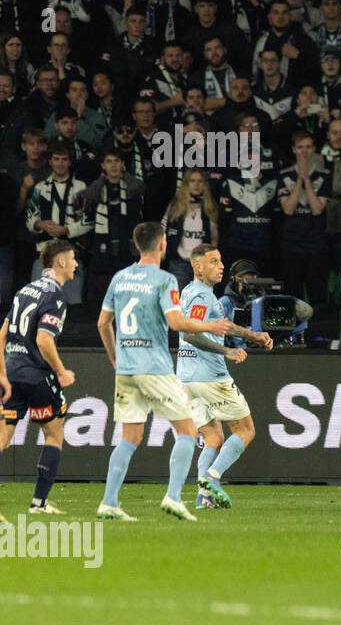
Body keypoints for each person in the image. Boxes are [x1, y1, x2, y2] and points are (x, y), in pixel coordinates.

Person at [96, 221, 233, 522]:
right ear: (161, 245)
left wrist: (115, 359)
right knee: (186, 431)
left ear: (137, 245)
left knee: (129, 438)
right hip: (155, 368)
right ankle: (173, 497)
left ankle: (109, 501)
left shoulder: (119, 278)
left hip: (127, 369)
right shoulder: (164, 279)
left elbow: (102, 323)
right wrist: (210, 325)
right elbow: (177, 323)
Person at [177, 245, 274, 510]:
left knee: (213, 438)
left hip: (186, 377)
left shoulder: (197, 294)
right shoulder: (200, 296)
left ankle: (204, 497)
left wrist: (253, 335)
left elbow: (223, 324)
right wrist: (226, 350)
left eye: (220, 261)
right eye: (213, 261)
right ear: (198, 267)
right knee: (245, 430)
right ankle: (212, 477)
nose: (220, 266)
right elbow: (190, 334)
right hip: (208, 375)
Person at [0, 240, 78, 517]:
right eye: (73, 259)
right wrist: (61, 371)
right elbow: (44, 340)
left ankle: (39, 504)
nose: (76, 264)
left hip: (12, 370)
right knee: (54, 434)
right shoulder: (56, 297)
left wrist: (2, 372)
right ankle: (39, 503)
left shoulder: (25, 289)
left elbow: (2, 333)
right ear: (60, 262)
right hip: (36, 374)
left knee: (3, 438)